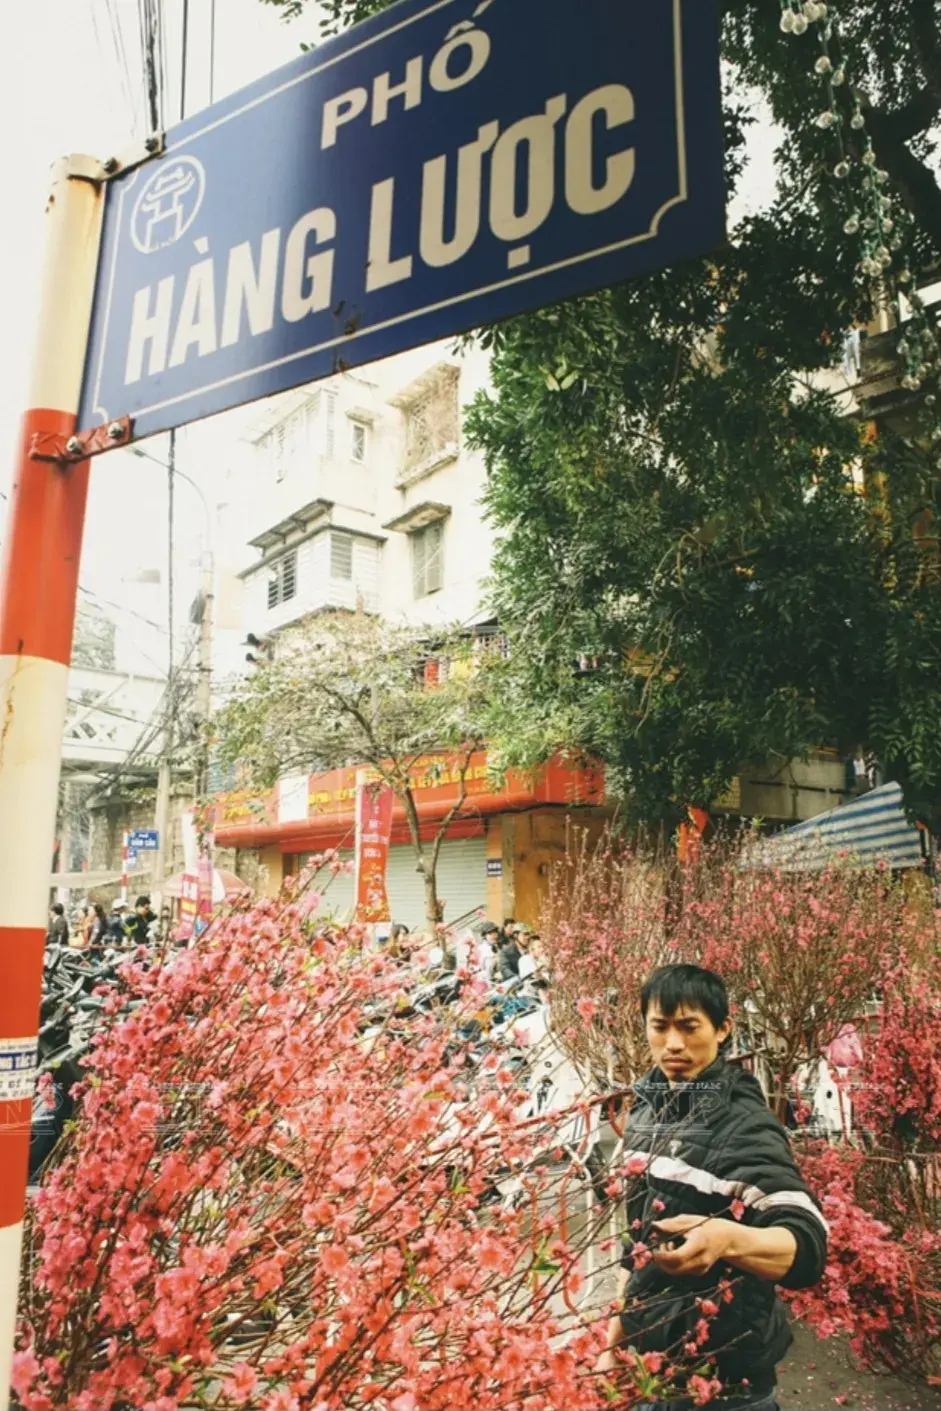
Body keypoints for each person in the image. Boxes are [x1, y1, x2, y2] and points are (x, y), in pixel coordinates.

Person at [597, 964, 827, 1411]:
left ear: (723, 1029)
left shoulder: (742, 1122)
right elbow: (637, 1246)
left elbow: (806, 1240)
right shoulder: (645, 1109)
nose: (673, 1043)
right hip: (653, 1370)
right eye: (660, 1027)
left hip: (727, 1384)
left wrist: (727, 1239)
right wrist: (614, 1343)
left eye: (689, 1027)